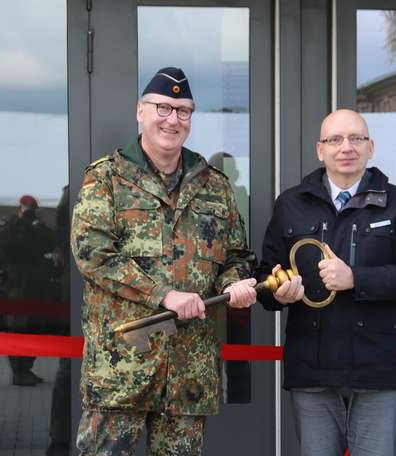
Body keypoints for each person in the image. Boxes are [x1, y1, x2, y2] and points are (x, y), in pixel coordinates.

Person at [71, 67, 257, 455]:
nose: (173, 119)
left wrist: (235, 283)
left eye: (184, 111)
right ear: (141, 111)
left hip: (189, 372)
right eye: (163, 108)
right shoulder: (106, 178)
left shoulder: (215, 185)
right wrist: (164, 295)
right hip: (121, 368)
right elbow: (92, 254)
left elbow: (237, 256)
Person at [257, 109, 396, 456]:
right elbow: (265, 279)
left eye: (356, 138)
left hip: (374, 371)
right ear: (319, 150)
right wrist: (280, 292)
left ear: (371, 147)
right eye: (334, 139)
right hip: (312, 372)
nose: (346, 147)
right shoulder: (291, 205)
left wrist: (356, 278)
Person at [0, 194, 56, 387]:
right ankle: (19, 372)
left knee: (37, 328)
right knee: (17, 329)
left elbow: (50, 241)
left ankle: (25, 369)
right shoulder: (9, 225)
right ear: (19, 208)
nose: (27, 212)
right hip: (14, 284)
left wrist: (37, 222)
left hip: (35, 284)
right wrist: (19, 224)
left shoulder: (39, 226)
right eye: (25, 208)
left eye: (31, 208)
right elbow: (1, 247)